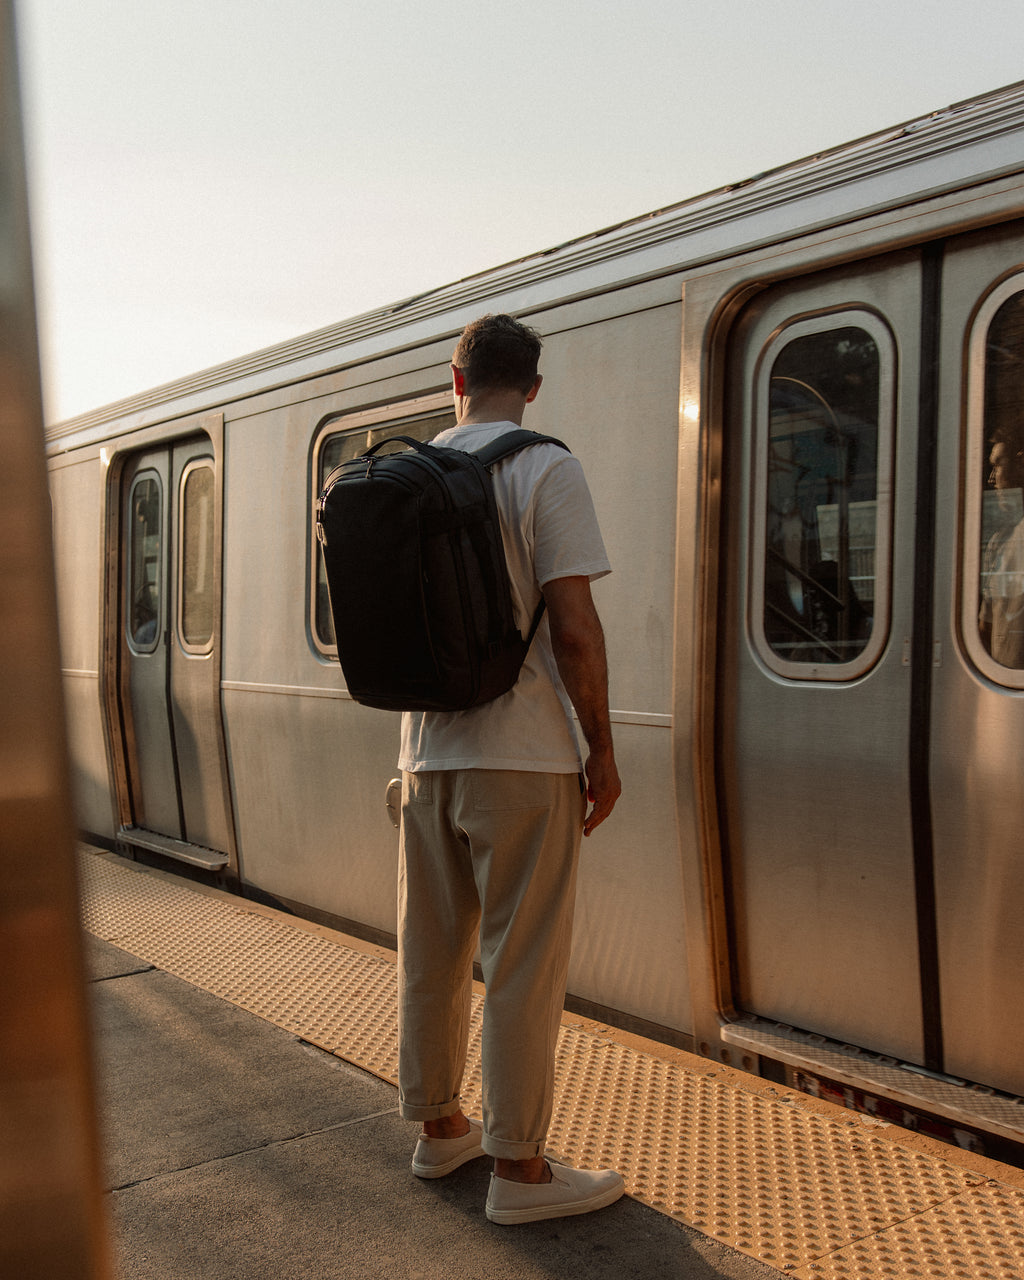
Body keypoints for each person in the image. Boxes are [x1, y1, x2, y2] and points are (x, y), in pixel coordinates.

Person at [396, 313, 624, 1224]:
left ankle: (439, 1126)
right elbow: (573, 626)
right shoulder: (544, 466)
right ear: (532, 386)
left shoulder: (404, 477)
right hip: (523, 757)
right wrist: (600, 749)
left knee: (432, 950)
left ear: (455, 377)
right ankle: (520, 1171)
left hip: (421, 754)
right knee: (521, 962)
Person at [979, 424, 1024, 668]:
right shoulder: (999, 541)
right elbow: (984, 624)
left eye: (998, 464)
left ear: (1021, 464)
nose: (991, 478)